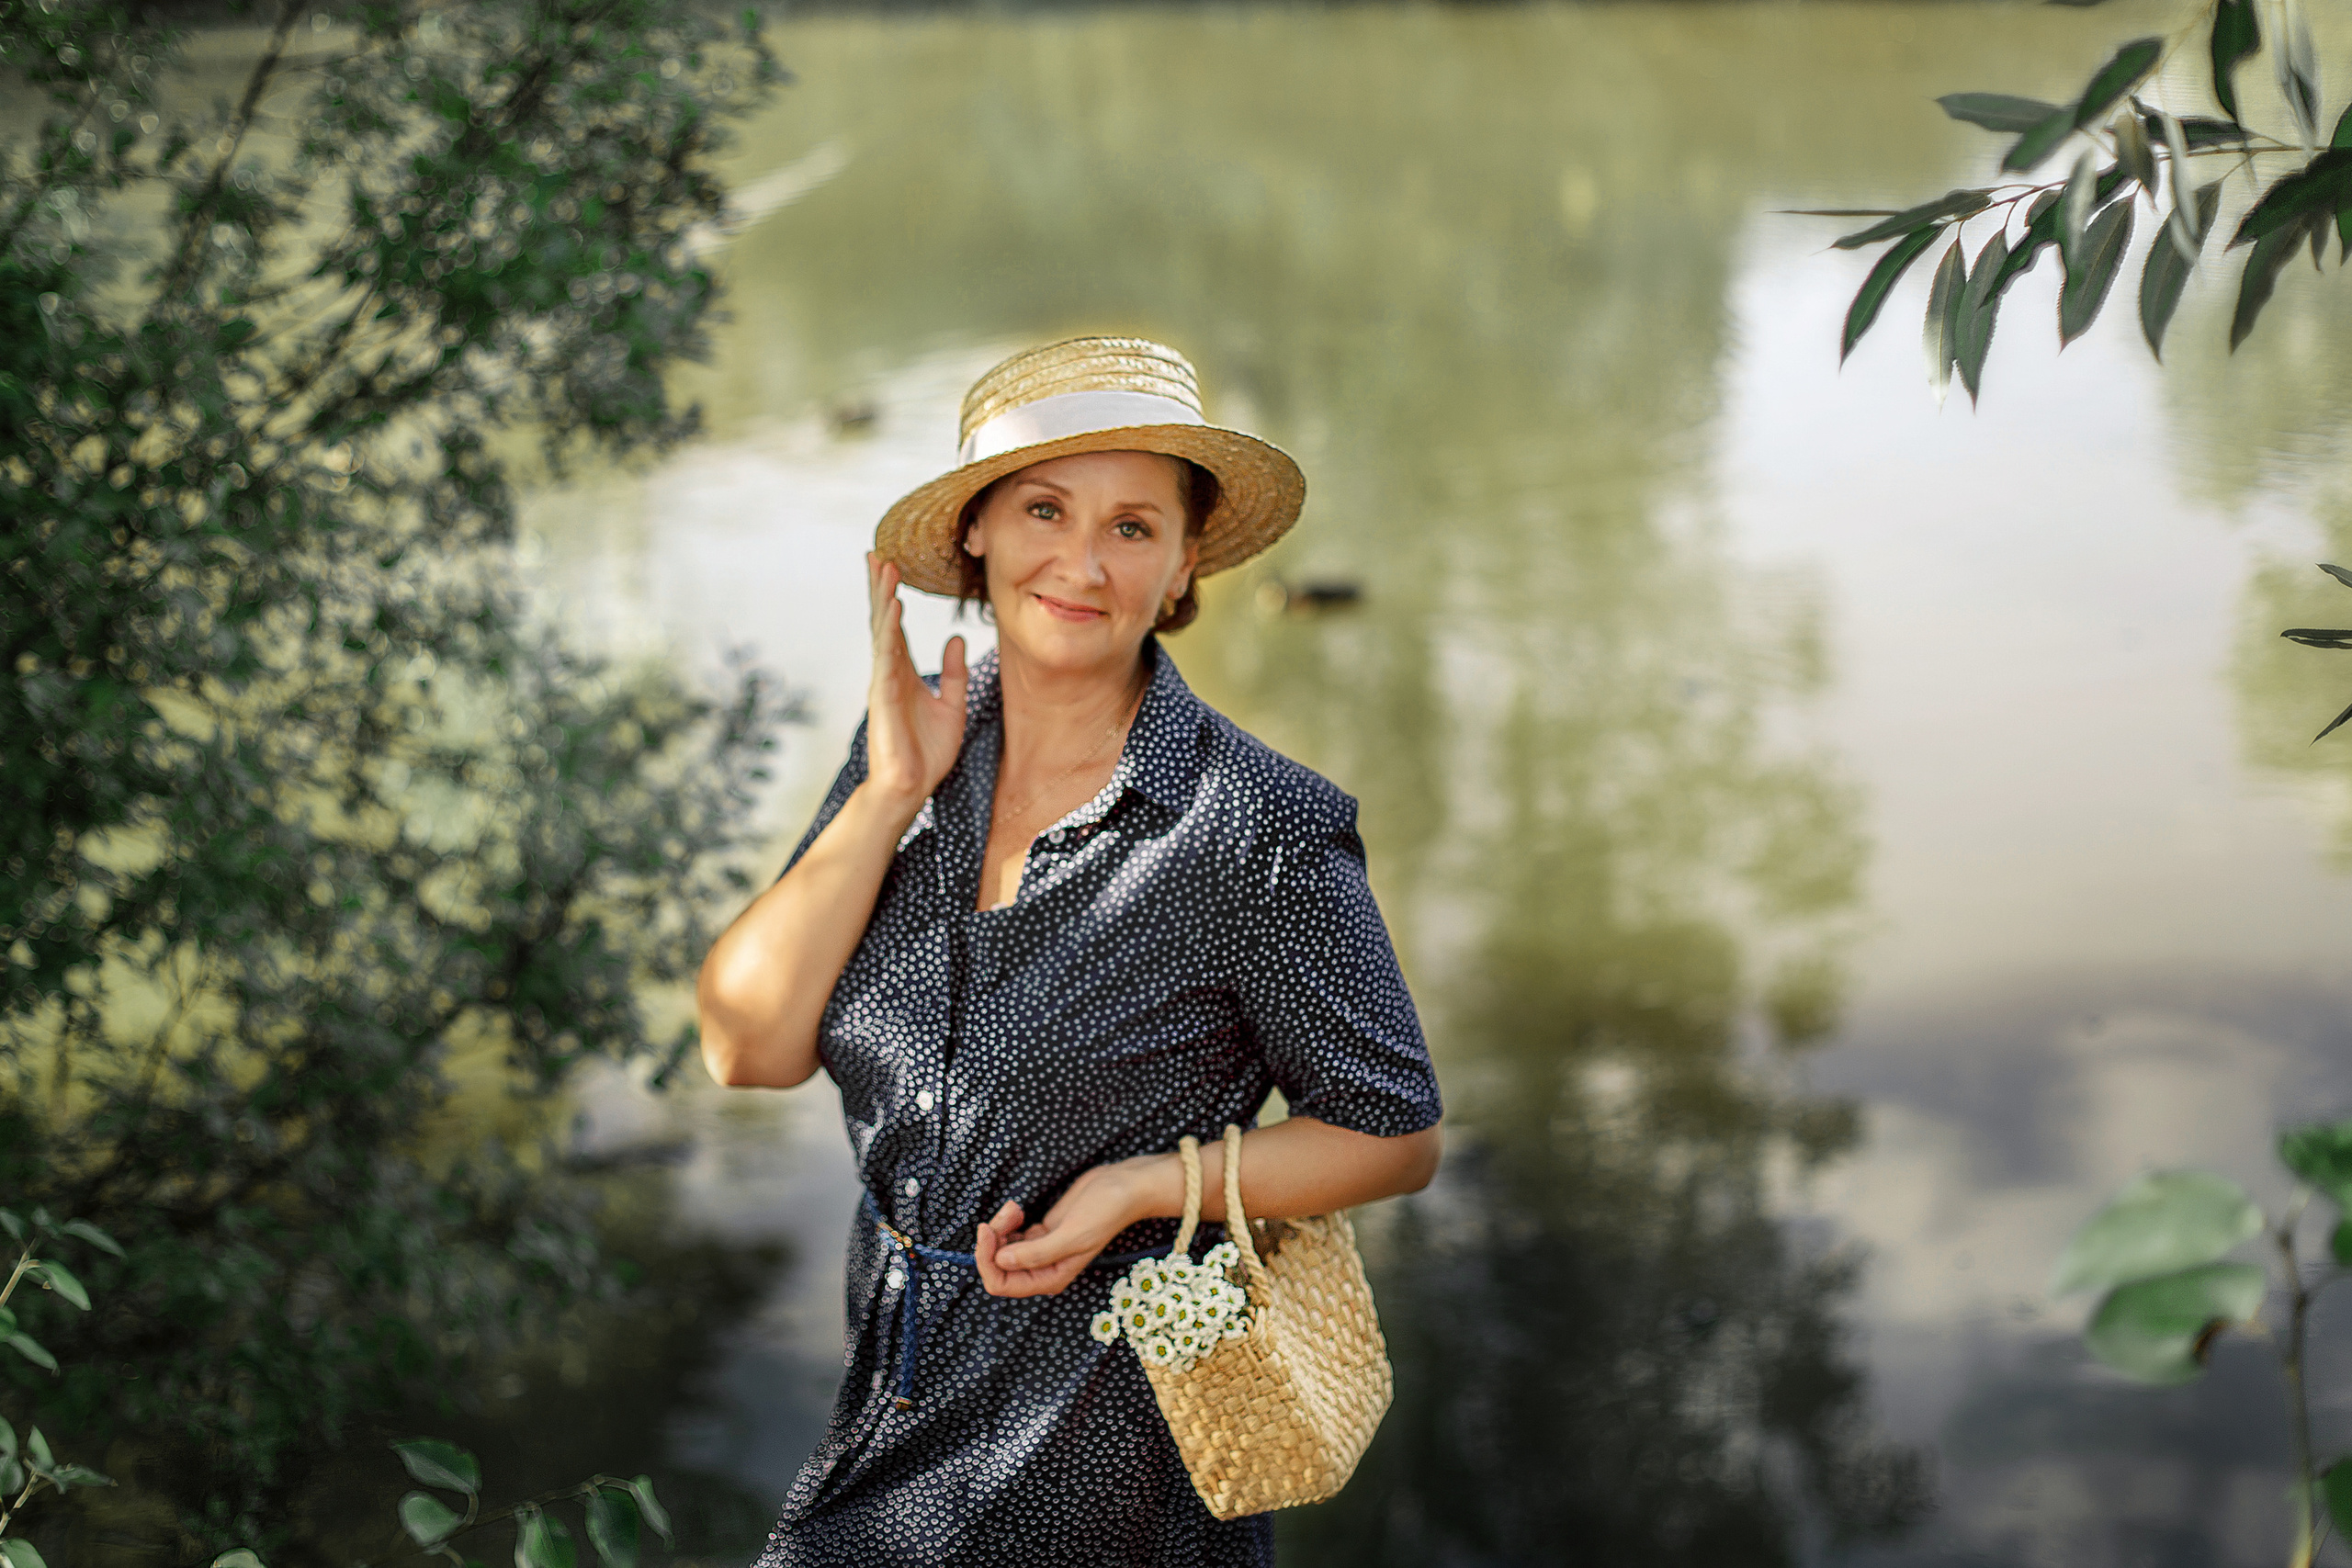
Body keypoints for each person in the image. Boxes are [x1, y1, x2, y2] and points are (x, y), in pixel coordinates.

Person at [697, 336, 1443, 1566]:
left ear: (1185, 560)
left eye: (1134, 527)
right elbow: (748, 1045)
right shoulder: (919, 749)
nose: (1083, 564)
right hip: (886, 1451)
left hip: (1108, 1480)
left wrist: (1151, 1188)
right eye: (1045, 508)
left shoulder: (1259, 831)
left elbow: (1394, 1130)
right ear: (977, 529)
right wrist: (888, 793)